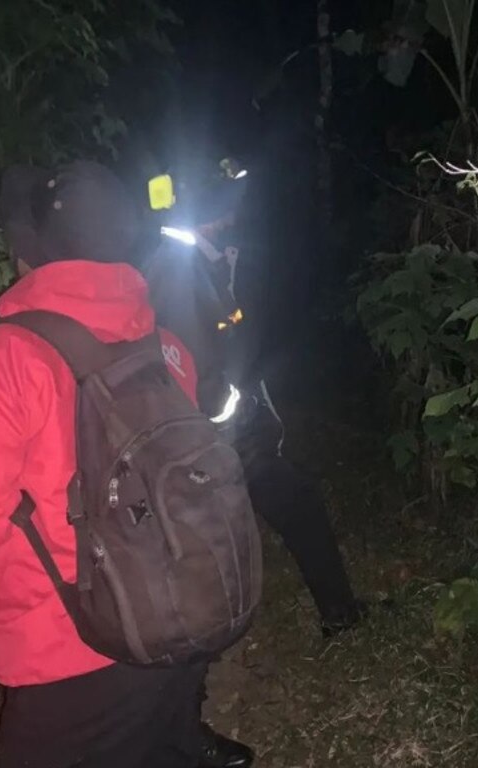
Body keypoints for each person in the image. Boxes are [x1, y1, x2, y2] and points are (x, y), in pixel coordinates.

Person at [0, 161, 232, 768]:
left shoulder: (3, 360)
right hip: (174, 625)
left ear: (28, 250)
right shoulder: (168, 347)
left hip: (73, 655)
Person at [141, 162, 371, 639]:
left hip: (208, 433)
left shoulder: (190, 259)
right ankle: (339, 614)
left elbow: (227, 330)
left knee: (257, 522)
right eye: (227, 206)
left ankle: (338, 613)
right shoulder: (177, 269)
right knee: (290, 505)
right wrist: (231, 419)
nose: (234, 216)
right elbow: (192, 360)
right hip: (211, 436)